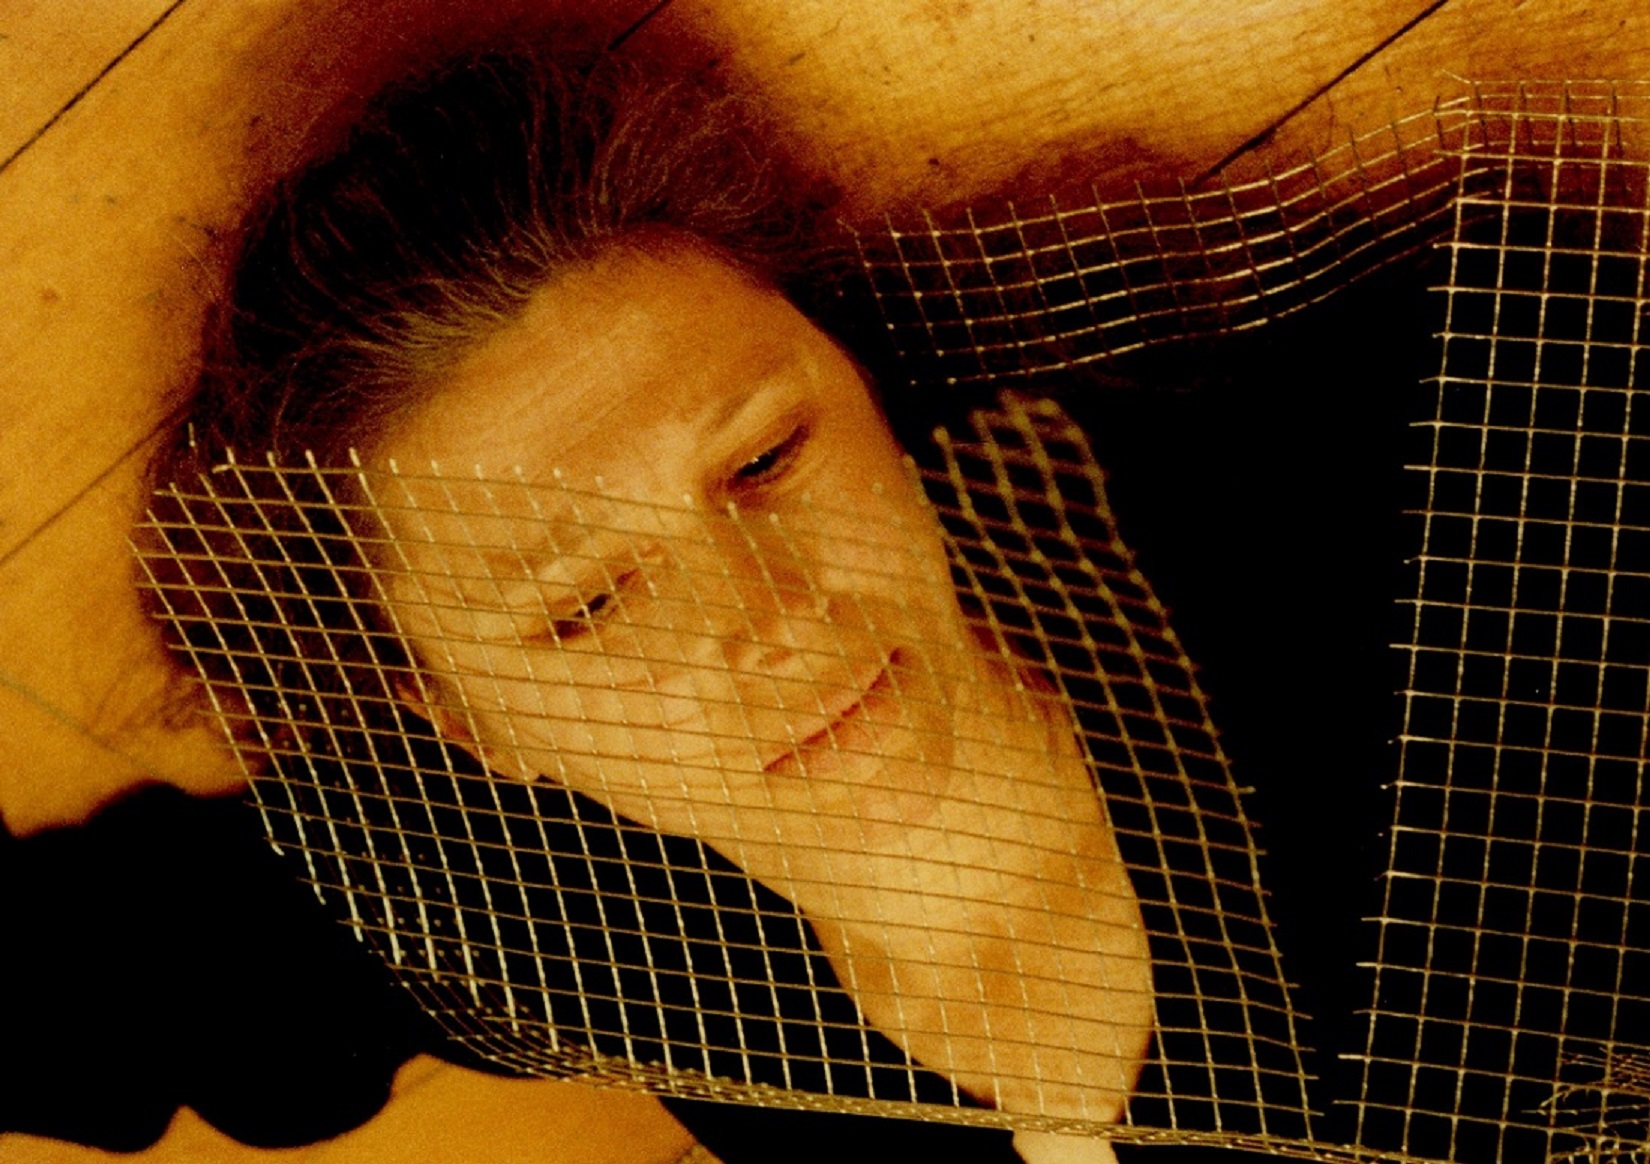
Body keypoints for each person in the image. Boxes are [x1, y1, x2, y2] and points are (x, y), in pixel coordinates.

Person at [143, 51, 1155, 1163]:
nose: (774, 618)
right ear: (462, 721)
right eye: (586, 602)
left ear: (870, 391)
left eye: (767, 457)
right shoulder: (570, 930)